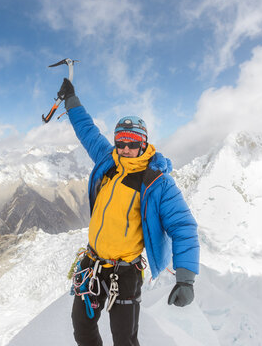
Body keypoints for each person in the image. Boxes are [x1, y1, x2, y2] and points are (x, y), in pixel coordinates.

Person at [59, 78, 200, 346]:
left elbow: (183, 227)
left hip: (124, 274)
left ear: (144, 144)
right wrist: (71, 100)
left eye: (132, 143)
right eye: (120, 143)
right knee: (82, 329)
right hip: (92, 265)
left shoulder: (157, 182)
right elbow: (87, 131)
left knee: (125, 339)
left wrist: (186, 279)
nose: (125, 150)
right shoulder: (108, 160)